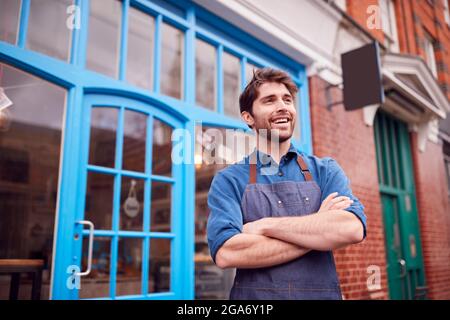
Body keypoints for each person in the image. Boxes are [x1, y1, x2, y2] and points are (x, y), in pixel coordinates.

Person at [206, 68, 367, 300]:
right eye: (269, 100)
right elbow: (227, 253)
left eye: (287, 100)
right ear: (248, 117)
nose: (282, 106)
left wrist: (265, 226)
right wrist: (319, 229)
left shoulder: (325, 170)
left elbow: (351, 229)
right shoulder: (229, 180)